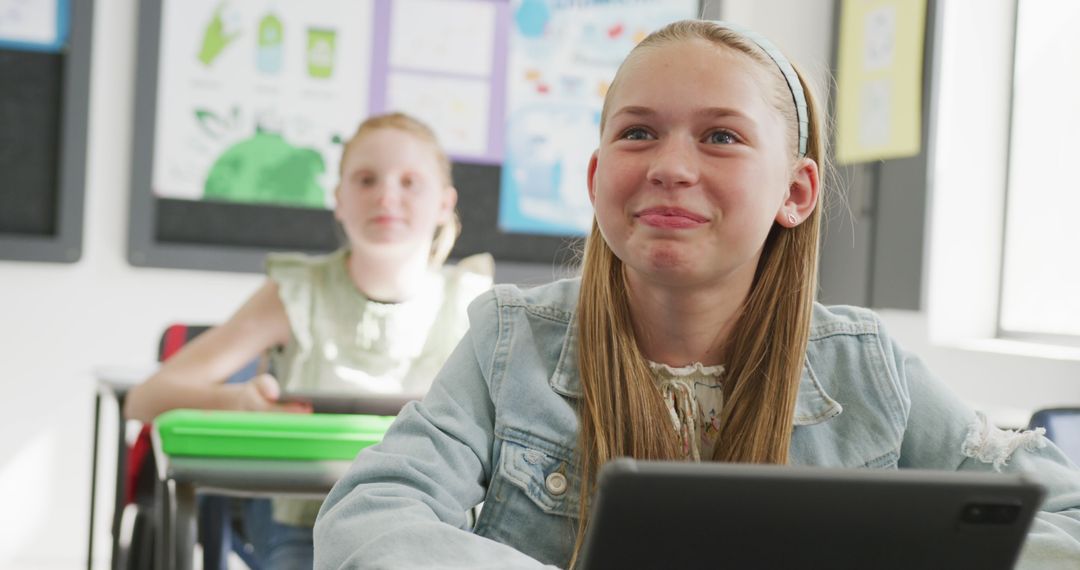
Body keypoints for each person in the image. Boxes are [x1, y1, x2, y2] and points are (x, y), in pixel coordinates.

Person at [313, 21, 1080, 570]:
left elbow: (1064, 517)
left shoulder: (867, 366)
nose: (670, 166)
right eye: (638, 133)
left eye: (720, 137)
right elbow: (368, 519)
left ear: (797, 190)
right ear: (595, 177)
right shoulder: (510, 342)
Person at [124, 112, 494, 569]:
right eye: (365, 179)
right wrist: (239, 402)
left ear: (445, 203)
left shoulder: (474, 303)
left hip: (431, 525)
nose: (386, 196)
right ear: (338, 200)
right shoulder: (295, 294)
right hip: (302, 523)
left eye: (410, 182)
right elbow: (144, 399)